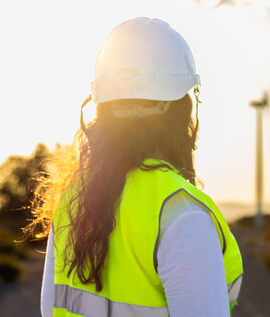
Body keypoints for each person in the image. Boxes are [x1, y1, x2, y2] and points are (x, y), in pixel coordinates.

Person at [29, 17, 244, 317]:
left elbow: (49, 309)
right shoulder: (182, 215)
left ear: (101, 110)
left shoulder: (73, 202)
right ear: (182, 110)